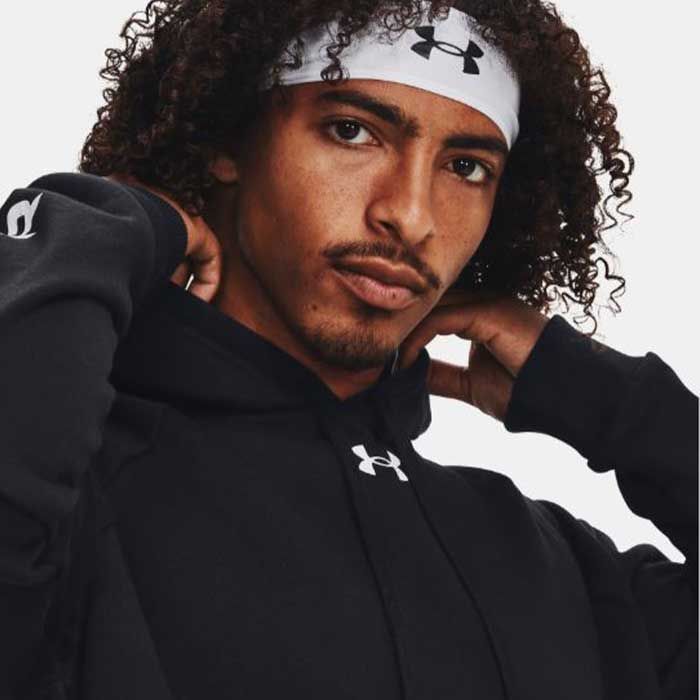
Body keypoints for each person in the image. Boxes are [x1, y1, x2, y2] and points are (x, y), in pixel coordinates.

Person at [0, 1, 696, 698]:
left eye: (466, 167)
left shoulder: (560, 572)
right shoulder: (74, 499)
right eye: (352, 131)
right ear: (226, 138)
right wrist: (103, 229)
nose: (412, 217)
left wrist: (610, 401)